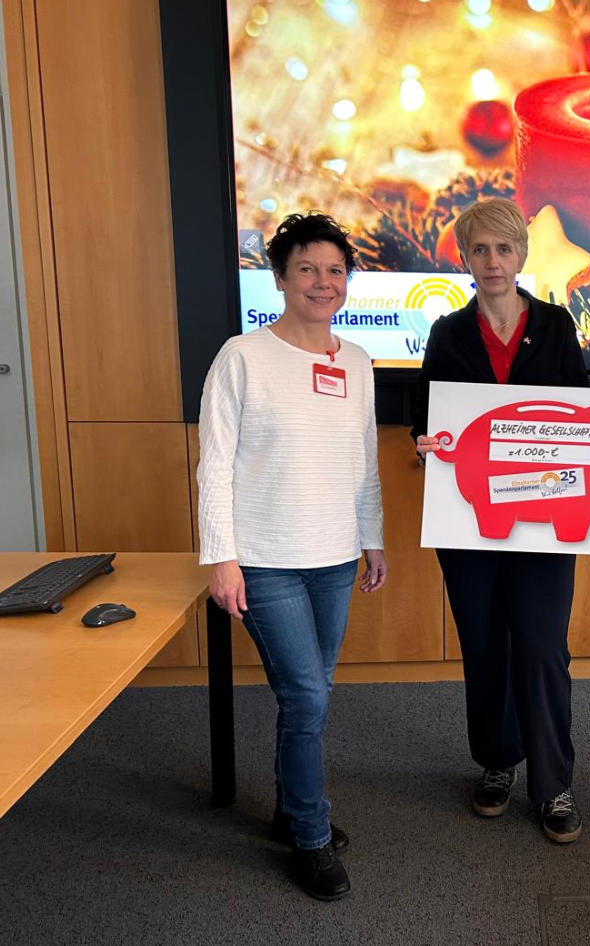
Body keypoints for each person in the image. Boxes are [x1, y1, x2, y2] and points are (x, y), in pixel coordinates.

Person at [197, 212, 387, 902]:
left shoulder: (357, 361)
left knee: (312, 693)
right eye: (306, 268)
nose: (322, 282)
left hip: (333, 557)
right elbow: (214, 465)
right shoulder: (242, 357)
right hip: (265, 559)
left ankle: (287, 807)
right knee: (305, 695)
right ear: (279, 277)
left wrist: (372, 538)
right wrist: (221, 558)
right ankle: (309, 833)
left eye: (335, 270)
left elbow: (364, 461)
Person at [411, 198, 589, 843]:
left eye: (504, 248)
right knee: (485, 645)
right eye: (480, 249)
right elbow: (427, 418)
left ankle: (553, 782)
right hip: (470, 521)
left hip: (545, 514)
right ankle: (496, 761)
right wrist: (425, 443)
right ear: (464, 258)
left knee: (541, 647)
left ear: (522, 255)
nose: (493, 261)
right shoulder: (447, 333)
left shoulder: (557, 325)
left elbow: (583, 416)